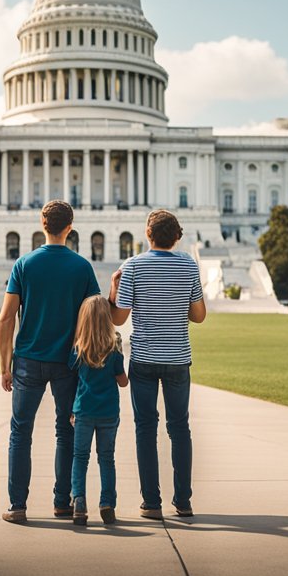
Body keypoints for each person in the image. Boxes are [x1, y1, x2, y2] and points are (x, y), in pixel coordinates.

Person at [0, 200, 100, 524]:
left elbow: (5, 319)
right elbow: (94, 317)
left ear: (42, 226)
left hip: (27, 360)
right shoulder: (82, 267)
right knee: (65, 432)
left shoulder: (24, 264)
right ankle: (62, 503)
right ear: (70, 227)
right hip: (68, 362)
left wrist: (4, 366)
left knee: (20, 433)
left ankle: (17, 506)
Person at [109, 209, 206, 519]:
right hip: (178, 358)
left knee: (145, 429)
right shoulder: (189, 266)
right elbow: (199, 315)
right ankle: (183, 501)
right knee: (180, 428)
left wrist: (114, 288)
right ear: (177, 236)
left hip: (144, 359)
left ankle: (151, 503)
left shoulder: (133, 266)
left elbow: (118, 318)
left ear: (147, 235)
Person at [68, 296, 128, 526]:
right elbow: (122, 382)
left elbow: (72, 376)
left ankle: (79, 502)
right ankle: (107, 503)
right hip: (109, 412)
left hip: (83, 410)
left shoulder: (79, 347)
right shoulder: (114, 348)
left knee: (80, 457)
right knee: (106, 458)